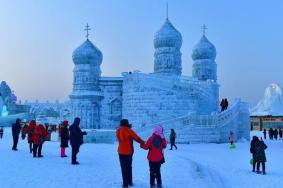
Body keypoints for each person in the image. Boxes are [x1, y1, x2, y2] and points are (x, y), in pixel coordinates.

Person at [116, 119, 144, 188]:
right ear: (127, 123)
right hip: (129, 152)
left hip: (121, 151)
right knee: (129, 166)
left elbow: (119, 137)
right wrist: (142, 142)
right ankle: (129, 181)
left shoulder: (118, 130)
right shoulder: (129, 130)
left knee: (123, 167)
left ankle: (125, 184)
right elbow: (136, 138)